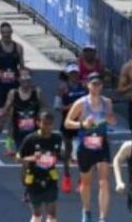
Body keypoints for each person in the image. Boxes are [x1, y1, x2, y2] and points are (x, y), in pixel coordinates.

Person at [64, 72, 117, 222]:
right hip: (85, 145)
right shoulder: (81, 103)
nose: (97, 87)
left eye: (99, 84)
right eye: (94, 84)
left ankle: (102, 218)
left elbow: (112, 121)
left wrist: (111, 119)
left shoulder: (107, 102)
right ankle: (86, 211)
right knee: (86, 182)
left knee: (104, 181)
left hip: (101, 144)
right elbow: (67, 122)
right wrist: (82, 124)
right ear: (88, 85)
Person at [19, 109, 64, 222]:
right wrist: (34, 158)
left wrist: (62, 157)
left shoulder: (57, 138)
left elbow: (60, 155)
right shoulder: (30, 139)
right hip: (33, 179)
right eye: (45, 123)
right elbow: (18, 158)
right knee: (37, 214)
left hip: (50, 178)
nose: (48, 126)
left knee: (52, 214)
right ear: (38, 123)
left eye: (50, 123)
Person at [0, 69, 43, 157]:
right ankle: (8, 147)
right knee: (23, 153)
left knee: (35, 153)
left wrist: (45, 121)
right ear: (19, 79)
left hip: (34, 128)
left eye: (27, 77)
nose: (25, 79)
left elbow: (44, 108)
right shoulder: (13, 93)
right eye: (23, 77)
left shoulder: (37, 92)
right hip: (18, 128)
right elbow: (6, 108)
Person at [57, 62, 88, 194]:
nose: (74, 76)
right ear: (68, 75)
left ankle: (81, 180)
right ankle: (67, 177)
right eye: (71, 74)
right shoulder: (62, 88)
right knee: (68, 151)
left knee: (82, 152)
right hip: (68, 122)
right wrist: (72, 106)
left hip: (81, 123)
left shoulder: (84, 87)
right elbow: (57, 107)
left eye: (76, 73)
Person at [0, 22, 25, 112]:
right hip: (0, 84)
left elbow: (22, 66)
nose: (6, 35)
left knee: (14, 110)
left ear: (12, 32)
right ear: (0, 33)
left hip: (14, 83)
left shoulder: (18, 47)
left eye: (8, 32)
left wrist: (23, 78)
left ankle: (11, 126)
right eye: (4, 32)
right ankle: (0, 124)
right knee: (1, 110)